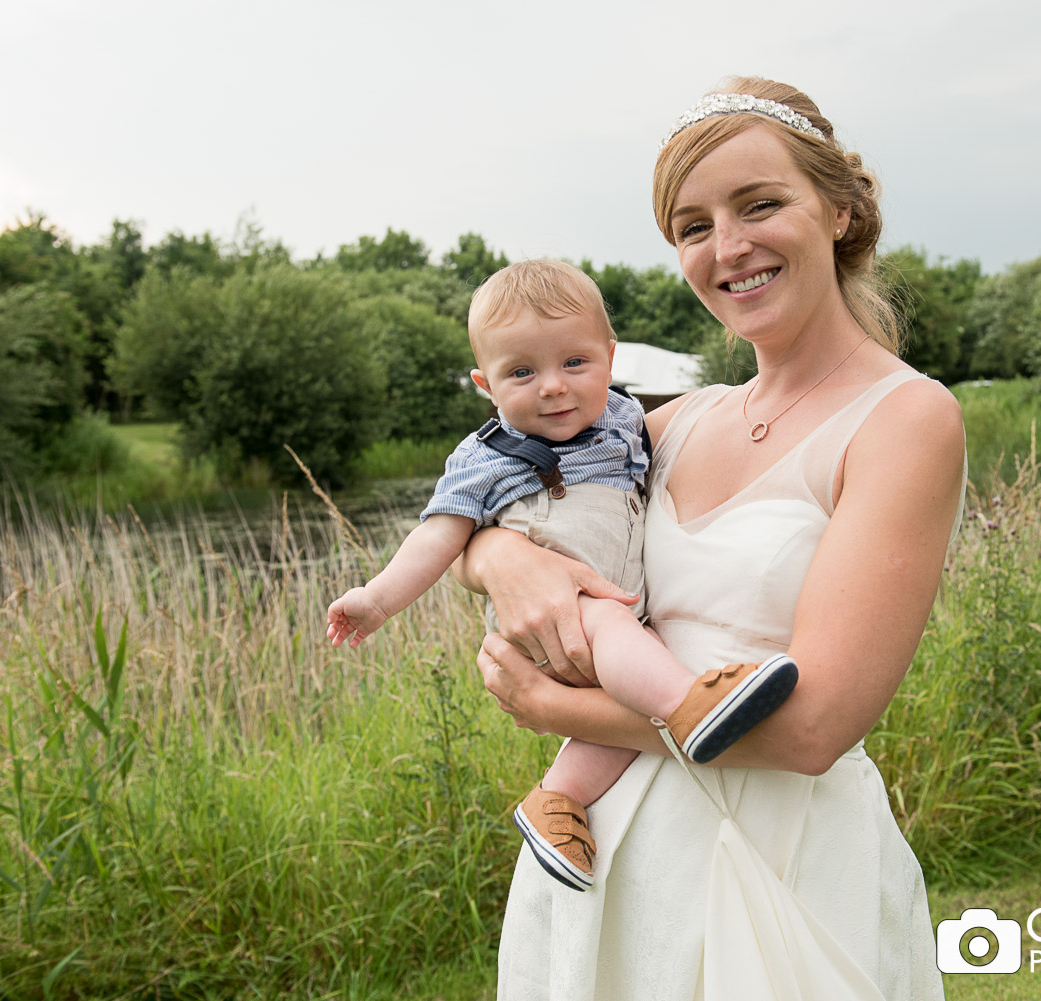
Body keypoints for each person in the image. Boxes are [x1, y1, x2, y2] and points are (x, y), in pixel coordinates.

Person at [460, 78, 966, 1001]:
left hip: (787, 864)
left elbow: (811, 731)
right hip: (612, 868)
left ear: (840, 210)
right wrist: (498, 558)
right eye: (693, 227)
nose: (728, 248)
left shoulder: (905, 418)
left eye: (760, 204)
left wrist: (556, 708)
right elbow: (490, 497)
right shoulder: (668, 423)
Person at [325, 259, 799, 893]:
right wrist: (377, 600)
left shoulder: (627, 422)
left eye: (574, 364)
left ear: (608, 357)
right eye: (521, 372)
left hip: (621, 621)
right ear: (484, 384)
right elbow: (440, 535)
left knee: (630, 691)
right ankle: (690, 708)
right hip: (552, 622)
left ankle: (557, 800)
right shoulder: (486, 455)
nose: (552, 387)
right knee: (620, 639)